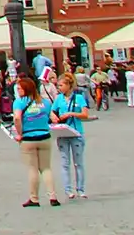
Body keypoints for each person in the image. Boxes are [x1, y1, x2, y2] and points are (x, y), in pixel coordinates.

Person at [9, 75, 59, 208]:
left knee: (33, 169)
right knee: (46, 168)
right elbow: (53, 118)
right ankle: (52, 196)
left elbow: (17, 118)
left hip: (28, 138)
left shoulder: (19, 102)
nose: (18, 90)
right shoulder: (45, 102)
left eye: (20, 88)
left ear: (26, 89)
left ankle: (34, 198)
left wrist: (19, 134)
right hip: (44, 136)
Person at [53, 72, 89, 201]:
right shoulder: (58, 99)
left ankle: (81, 189)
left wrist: (71, 114)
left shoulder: (79, 98)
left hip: (76, 132)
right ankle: (68, 190)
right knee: (64, 163)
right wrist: (54, 117)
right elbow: (52, 111)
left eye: (61, 85)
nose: (59, 88)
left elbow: (85, 114)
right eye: (58, 85)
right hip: (63, 132)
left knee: (78, 163)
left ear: (69, 85)